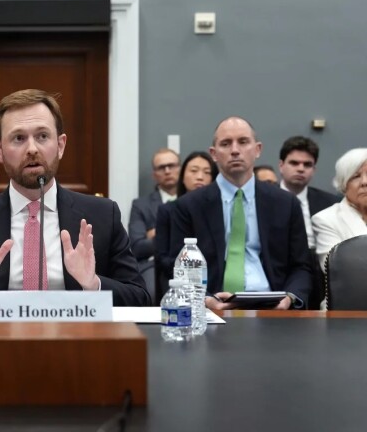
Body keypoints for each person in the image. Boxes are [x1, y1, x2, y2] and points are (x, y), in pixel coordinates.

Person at [0, 89, 150, 308]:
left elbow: (140, 299)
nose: (32, 149)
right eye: (19, 138)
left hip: (77, 339)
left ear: (61, 145)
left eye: (42, 136)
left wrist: (94, 285)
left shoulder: (102, 215)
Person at [168, 116, 312, 310]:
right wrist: (205, 301)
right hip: (212, 305)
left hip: (273, 307)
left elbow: (301, 266)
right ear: (214, 154)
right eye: (226, 144)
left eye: (243, 142)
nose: (235, 150)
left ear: (257, 149)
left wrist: (289, 299)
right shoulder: (188, 206)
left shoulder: (286, 204)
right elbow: (177, 268)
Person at [278, 136, 341, 308]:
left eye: (307, 165)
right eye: (294, 163)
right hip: (285, 269)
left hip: (321, 269)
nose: (300, 169)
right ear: (281, 165)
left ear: (314, 169)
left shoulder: (330, 203)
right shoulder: (267, 200)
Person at [153, 151, 219, 303]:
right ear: (182, 176)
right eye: (194, 171)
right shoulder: (168, 210)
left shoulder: (220, 212)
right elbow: (162, 257)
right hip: (177, 284)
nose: (200, 176)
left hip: (215, 286)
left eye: (207, 172)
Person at [128, 148, 181, 277]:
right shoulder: (141, 205)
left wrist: (159, 232)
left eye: (171, 166)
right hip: (153, 266)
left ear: (180, 168)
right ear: (154, 174)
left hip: (190, 264)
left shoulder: (193, 200)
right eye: (161, 167)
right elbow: (137, 247)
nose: (167, 171)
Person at [312, 148, 367, 270]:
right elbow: (335, 269)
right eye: (356, 176)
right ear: (344, 184)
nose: (364, 182)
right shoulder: (326, 220)